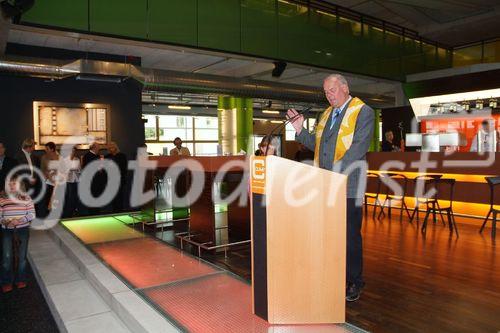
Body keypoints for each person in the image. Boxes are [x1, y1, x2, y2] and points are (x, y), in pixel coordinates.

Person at [287, 73, 374, 302]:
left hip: (349, 185)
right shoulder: (326, 114)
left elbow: (359, 148)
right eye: (326, 92)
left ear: (345, 88)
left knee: (349, 236)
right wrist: (300, 130)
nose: (329, 95)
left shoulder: (363, 111)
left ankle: (355, 281)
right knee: (328, 234)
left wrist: (333, 173)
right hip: (325, 185)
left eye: (332, 90)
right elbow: (316, 144)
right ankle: (333, 276)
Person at [0, 175, 36, 293]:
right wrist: (4, 221)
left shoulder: (26, 198)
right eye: (9, 184)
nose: (11, 186)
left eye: (14, 183)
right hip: (7, 230)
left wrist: (20, 220)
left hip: (22, 229)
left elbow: (32, 214)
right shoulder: (2, 198)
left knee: (22, 256)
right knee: (6, 256)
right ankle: (6, 281)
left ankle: (20, 278)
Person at [14, 139, 41, 215]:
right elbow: (17, 171)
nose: (34, 148)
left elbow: (36, 169)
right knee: (24, 204)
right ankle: (25, 220)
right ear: (28, 146)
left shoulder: (33, 156)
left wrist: (35, 178)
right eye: (33, 146)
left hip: (33, 184)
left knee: (32, 203)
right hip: (23, 184)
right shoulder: (18, 156)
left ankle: (32, 219)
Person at [81, 142, 105, 215]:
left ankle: (96, 213)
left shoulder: (97, 156)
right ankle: (93, 214)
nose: (99, 148)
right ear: (94, 147)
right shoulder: (88, 156)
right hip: (92, 183)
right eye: (98, 147)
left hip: (98, 182)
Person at [106, 142, 128, 212]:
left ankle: (119, 211)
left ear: (116, 147)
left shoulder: (122, 156)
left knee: (119, 197)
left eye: (112, 147)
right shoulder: (107, 156)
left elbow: (124, 168)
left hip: (119, 180)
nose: (111, 149)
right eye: (109, 148)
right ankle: (114, 212)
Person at [60, 146, 81, 218]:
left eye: (74, 151)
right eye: (72, 151)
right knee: (69, 198)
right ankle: (67, 214)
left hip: (76, 180)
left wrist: (76, 170)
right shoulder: (65, 159)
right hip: (68, 181)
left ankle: (73, 212)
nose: (73, 152)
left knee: (75, 198)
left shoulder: (77, 159)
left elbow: (79, 169)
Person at [40, 142, 59, 217]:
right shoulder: (44, 157)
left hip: (58, 183)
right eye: (45, 148)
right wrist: (47, 176)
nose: (45, 150)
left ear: (52, 149)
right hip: (48, 182)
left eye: (47, 149)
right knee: (48, 201)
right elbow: (42, 169)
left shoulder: (59, 157)